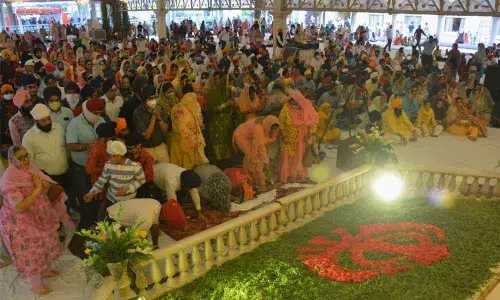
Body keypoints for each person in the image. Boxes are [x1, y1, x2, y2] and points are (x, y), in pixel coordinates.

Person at [0, 146, 74, 295]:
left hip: (40, 216)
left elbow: (44, 185)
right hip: (21, 222)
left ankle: (45, 271)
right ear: (13, 160)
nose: (26, 159)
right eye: (21, 158)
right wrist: (37, 188)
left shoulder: (30, 168)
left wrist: (44, 185)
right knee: (31, 252)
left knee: (47, 242)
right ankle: (36, 285)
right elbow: (19, 206)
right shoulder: (9, 179)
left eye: (27, 155)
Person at [66, 98, 105, 229]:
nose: (97, 115)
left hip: (98, 168)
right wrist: (88, 146)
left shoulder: (101, 120)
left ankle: (98, 220)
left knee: (98, 193)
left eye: (100, 112)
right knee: (85, 194)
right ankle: (87, 222)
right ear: (87, 111)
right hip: (81, 167)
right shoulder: (75, 124)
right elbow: (71, 145)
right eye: (95, 112)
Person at [84, 140, 146, 221]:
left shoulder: (134, 166)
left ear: (118, 156)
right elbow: (101, 180)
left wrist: (128, 189)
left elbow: (141, 180)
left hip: (127, 201)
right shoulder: (108, 165)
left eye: (110, 156)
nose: (109, 158)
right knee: (103, 220)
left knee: (122, 222)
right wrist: (91, 192)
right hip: (110, 199)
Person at [278, 90, 319, 184]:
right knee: (287, 156)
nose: (294, 103)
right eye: (292, 101)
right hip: (288, 138)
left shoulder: (305, 108)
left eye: (296, 101)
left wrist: (309, 134)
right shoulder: (286, 108)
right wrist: (284, 136)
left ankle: (296, 175)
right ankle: (287, 176)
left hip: (301, 138)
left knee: (299, 155)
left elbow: (313, 121)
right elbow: (281, 123)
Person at [233, 115, 280, 192]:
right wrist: (266, 162)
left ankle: (255, 183)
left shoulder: (266, 124)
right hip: (241, 136)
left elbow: (264, 144)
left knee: (256, 160)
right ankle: (251, 183)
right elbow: (261, 148)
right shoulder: (259, 129)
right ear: (269, 127)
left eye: (277, 131)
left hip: (250, 137)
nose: (275, 133)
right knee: (252, 158)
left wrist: (265, 160)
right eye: (273, 131)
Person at [170, 86, 209, 170]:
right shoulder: (189, 112)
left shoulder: (176, 107)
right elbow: (185, 131)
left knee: (177, 168)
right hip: (187, 145)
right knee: (186, 169)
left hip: (175, 143)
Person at [133, 83, 170, 164]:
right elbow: (147, 135)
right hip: (147, 149)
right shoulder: (138, 113)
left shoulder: (160, 108)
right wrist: (153, 117)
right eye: (150, 99)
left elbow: (165, 130)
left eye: (155, 98)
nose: (153, 101)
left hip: (161, 147)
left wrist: (159, 118)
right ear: (144, 100)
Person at [125, 133, 163, 203]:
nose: (130, 151)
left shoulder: (147, 157)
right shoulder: (130, 155)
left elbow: (150, 173)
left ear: (139, 145)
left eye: (131, 148)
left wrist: (136, 173)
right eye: (128, 149)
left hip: (145, 184)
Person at [205, 72, 235, 162]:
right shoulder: (212, 92)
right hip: (216, 123)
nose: (231, 86)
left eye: (232, 84)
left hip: (227, 123)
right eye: (229, 84)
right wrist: (225, 105)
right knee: (218, 144)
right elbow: (210, 109)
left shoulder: (230, 92)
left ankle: (227, 161)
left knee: (227, 142)